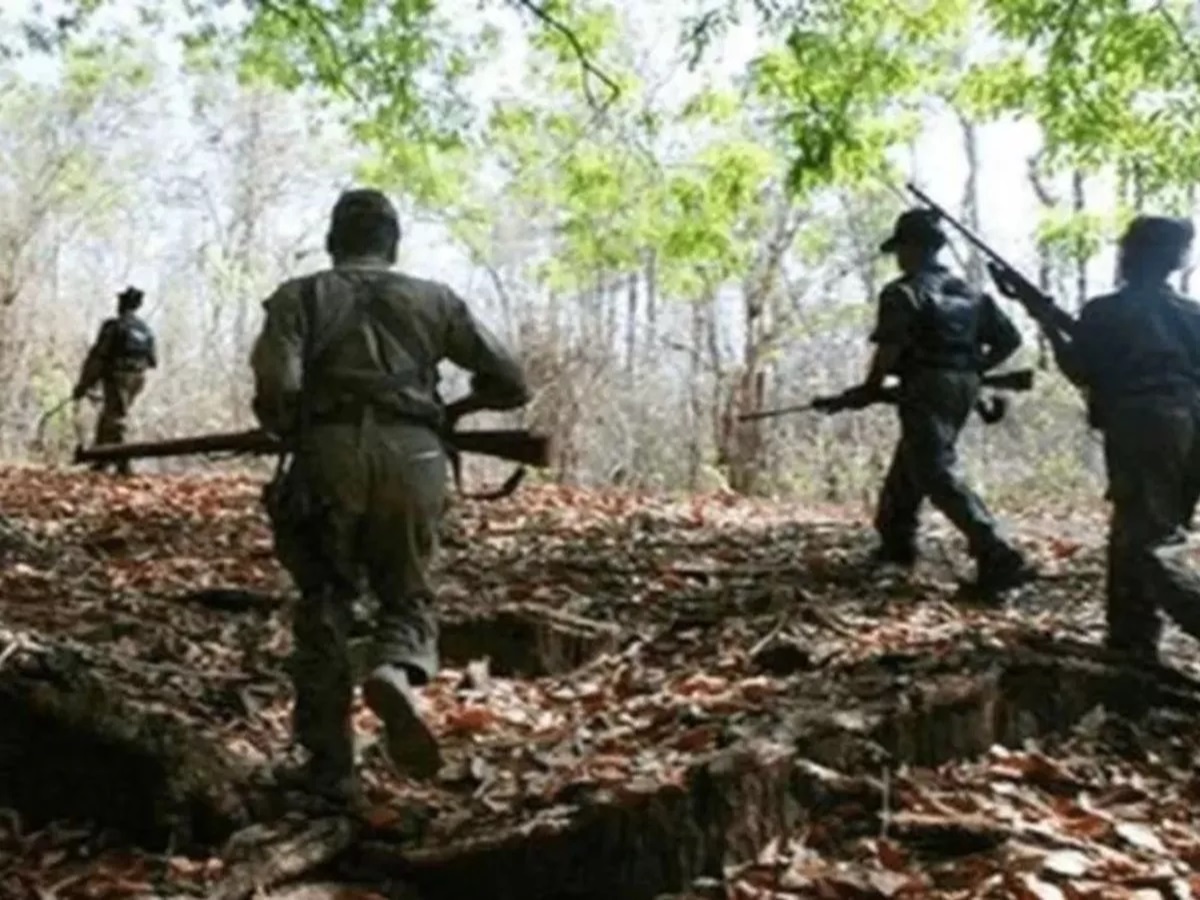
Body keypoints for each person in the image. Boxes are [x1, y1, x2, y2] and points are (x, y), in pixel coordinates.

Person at [250, 188, 529, 805]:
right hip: (418, 454)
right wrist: (455, 407)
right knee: (407, 590)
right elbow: (511, 380)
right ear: (393, 243)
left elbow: (278, 383)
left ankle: (330, 768)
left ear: (332, 242)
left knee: (325, 599)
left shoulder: (301, 296)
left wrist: (286, 421)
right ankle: (395, 669)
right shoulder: (436, 300)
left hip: (330, 455)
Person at [990, 215, 1200, 663]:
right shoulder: (1192, 313)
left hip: (1144, 422)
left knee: (1151, 540)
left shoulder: (1107, 311)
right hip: (1190, 424)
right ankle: (1130, 642)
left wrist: (1043, 319)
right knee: (1138, 529)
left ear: (1132, 254)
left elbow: (1081, 369)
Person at [861, 208, 1033, 591]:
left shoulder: (902, 292)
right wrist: (971, 370)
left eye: (903, 248)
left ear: (916, 248)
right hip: (962, 386)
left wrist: (870, 388)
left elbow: (889, 350)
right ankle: (895, 542)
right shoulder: (970, 293)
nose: (900, 257)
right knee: (915, 459)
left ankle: (997, 550)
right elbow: (1009, 339)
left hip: (927, 386)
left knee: (935, 469)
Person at [73, 286, 157, 474]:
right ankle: (100, 459)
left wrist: (84, 384)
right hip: (138, 378)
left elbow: (98, 357)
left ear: (122, 304)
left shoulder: (114, 326)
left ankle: (123, 464)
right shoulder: (145, 330)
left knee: (116, 418)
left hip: (118, 377)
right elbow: (152, 360)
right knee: (110, 415)